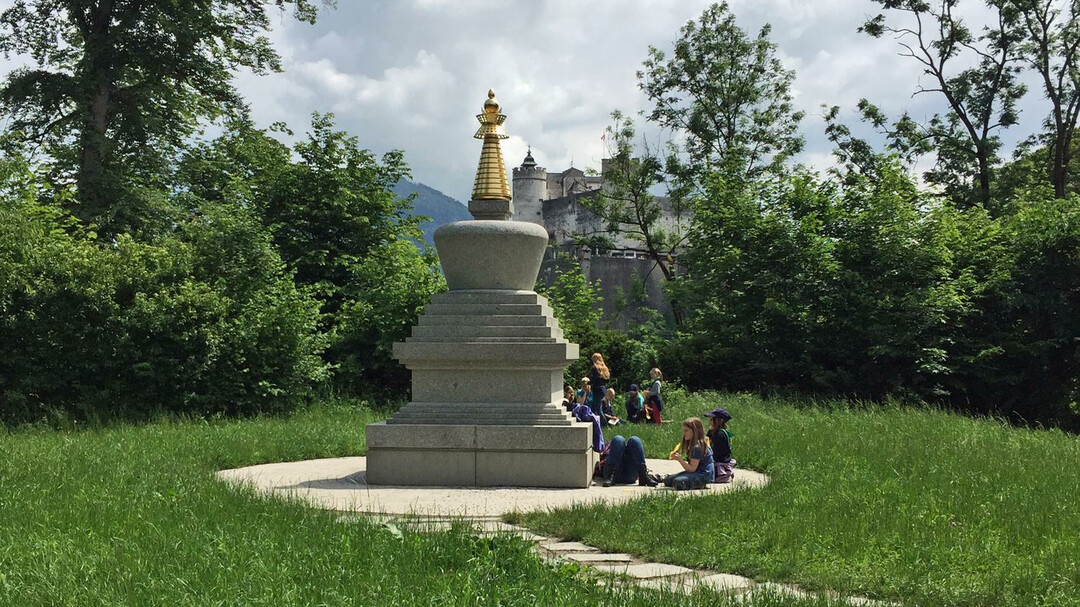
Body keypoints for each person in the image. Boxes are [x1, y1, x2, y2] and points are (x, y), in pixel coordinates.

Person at [662, 417, 714, 490]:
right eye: (684, 431)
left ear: (695, 431)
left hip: (703, 475)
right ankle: (692, 482)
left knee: (678, 482)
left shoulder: (697, 447)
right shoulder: (692, 444)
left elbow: (692, 469)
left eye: (686, 431)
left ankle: (699, 484)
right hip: (696, 472)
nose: (684, 433)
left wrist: (679, 459)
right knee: (668, 480)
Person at [704, 407, 736, 483]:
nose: (710, 421)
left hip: (719, 462)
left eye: (712, 419)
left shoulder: (720, 434)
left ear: (719, 421)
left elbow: (716, 453)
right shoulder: (713, 431)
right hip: (717, 459)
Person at [588, 353, 610, 417]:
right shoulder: (604, 368)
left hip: (597, 389)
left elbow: (595, 379)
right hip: (603, 389)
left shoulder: (594, 368)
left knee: (597, 409)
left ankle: (604, 424)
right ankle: (601, 423)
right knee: (599, 407)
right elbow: (607, 379)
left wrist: (589, 383)